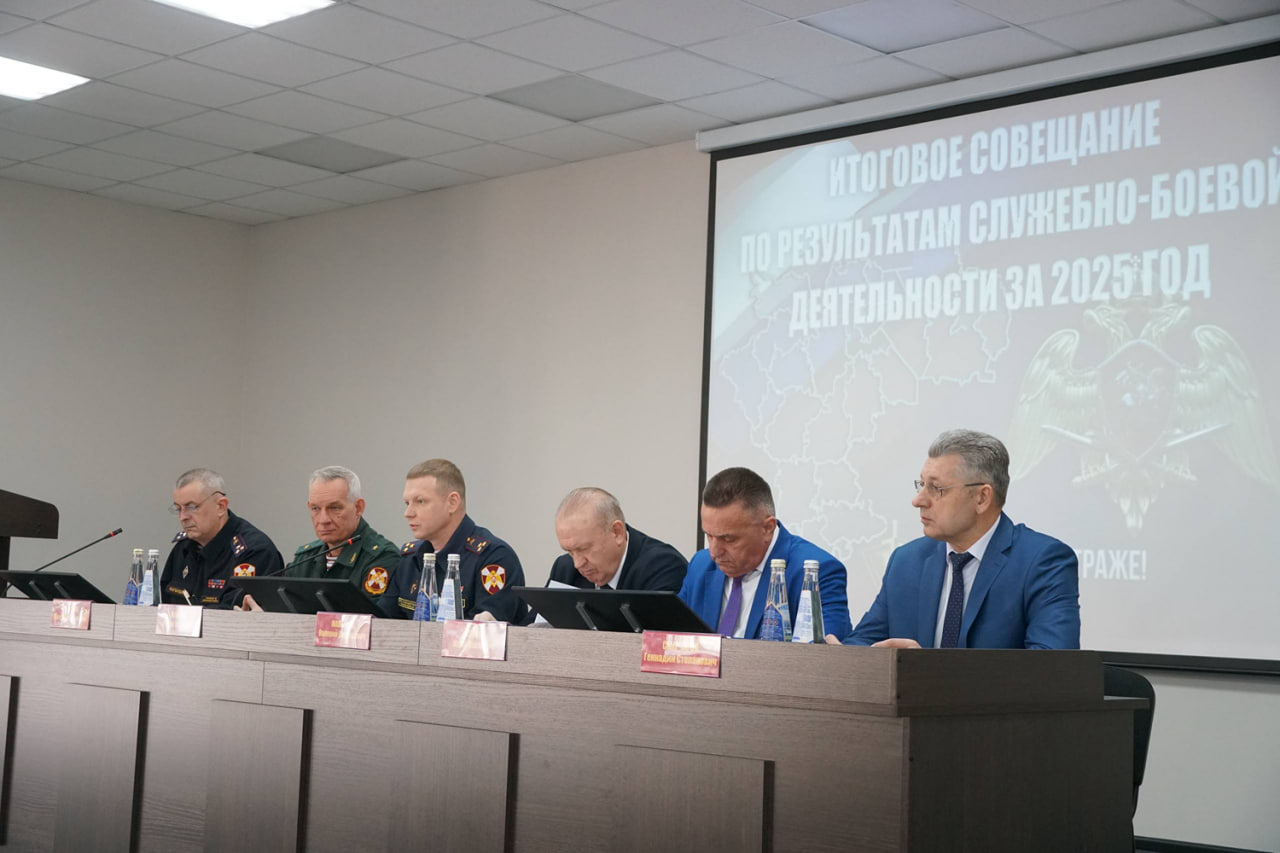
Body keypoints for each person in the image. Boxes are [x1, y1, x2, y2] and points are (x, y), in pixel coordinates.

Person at [831, 429, 1080, 649]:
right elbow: (866, 640)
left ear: (982, 498)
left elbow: (1052, 667)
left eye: (936, 488)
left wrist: (923, 671)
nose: (918, 500)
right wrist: (844, 655)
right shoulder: (906, 561)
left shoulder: (1042, 562)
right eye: (921, 485)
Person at [679, 467, 851, 639]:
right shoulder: (700, 566)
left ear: (768, 528)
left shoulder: (816, 573)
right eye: (709, 535)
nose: (714, 552)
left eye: (728, 538)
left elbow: (826, 652)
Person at [379, 459, 526, 623]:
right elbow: (382, 622)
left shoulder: (493, 558)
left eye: (420, 501)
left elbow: (485, 632)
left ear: (452, 503)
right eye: (407, 503)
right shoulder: (409, 559)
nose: (408, 513)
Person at [241, 466, 399, 611]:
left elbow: (371, 622)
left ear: (358, 508)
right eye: (315, 508)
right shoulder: (305, 557)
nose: (323, 519)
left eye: (334, 508)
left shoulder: (381, 556)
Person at [522, 487, 687, 625]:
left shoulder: (663, 568)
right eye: (569, 551)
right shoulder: (565, 569)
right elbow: (528, 634)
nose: (577, 563)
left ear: (617, 533)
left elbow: (658, 645)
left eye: (584, 549)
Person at [160, 468, 282, 607]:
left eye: (191, 507)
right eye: (178, 509)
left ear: (220, 507)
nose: (183, 517)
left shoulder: (254, 551)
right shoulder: (183, 548)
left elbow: (242, 614)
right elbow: (165, 606)